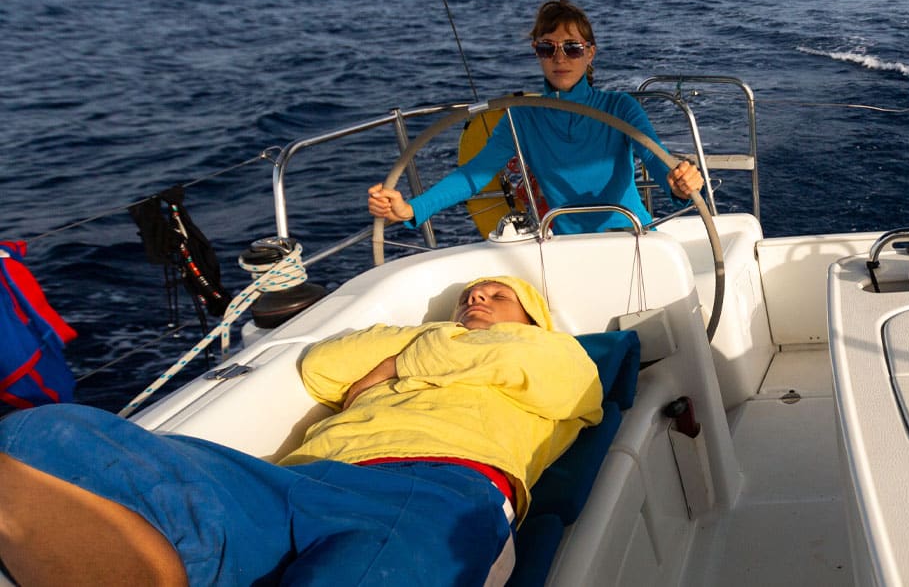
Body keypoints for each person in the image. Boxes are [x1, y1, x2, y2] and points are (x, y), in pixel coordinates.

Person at [0, 276, 602, 586]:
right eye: (471, 295)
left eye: (500, 297)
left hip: (438, 489)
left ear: (531, 319)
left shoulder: (554, 353)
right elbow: (321, 367)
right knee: (40, 438)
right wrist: (432, 341)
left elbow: (562, 381)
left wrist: (398, 364)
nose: (480, 299)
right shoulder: (431, 339)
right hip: (295, 480)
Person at [369, 0, 705, 235]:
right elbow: (475, 174)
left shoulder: (620, 109)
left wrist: (680, 182)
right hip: (565, 250)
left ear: (590, 54)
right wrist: (412, 209)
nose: (560, 58)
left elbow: (660, 163)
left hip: (633, 237)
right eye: (548, 48)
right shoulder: (522, 117)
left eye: (572, 48)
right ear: (537, 53)